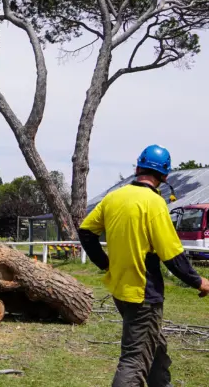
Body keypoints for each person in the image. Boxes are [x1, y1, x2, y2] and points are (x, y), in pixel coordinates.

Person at [79, 144, 209, 387]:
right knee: (134, 361)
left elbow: (86, 232)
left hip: (121, 290)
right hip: (143, 294)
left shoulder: (113, 197)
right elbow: (172, 254)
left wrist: (106, 264)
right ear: (165, 176)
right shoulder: (154, 203)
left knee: (154, 346)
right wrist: (199, 280)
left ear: (138, 168)